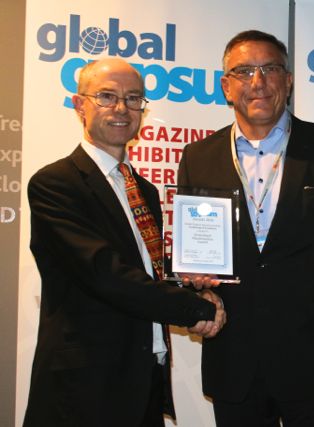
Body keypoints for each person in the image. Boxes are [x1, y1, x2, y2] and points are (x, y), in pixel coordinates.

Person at [178, 30, 314, 427]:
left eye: (270, 69)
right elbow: (196, 257)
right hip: (234, 365)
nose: (258, 82)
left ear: (287, 81)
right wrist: (197, 289)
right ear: (226, 86)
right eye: (244, 71)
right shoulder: (198, 157)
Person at [23, 58, 225, 427]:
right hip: (87, 386)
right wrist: (194, 309)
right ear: (79, 105)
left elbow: (144, 272)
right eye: (106, 96)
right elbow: (104, 274)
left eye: (133, 99)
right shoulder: (55, 184)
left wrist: (192, 283)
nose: (121, 108)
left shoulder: (143, 189)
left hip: (144, 376)